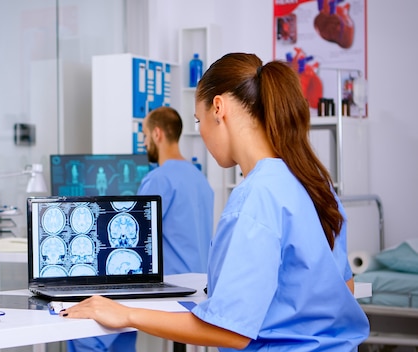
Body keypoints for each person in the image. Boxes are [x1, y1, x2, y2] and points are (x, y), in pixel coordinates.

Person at [61, 53, 370, 351]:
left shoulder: (256, 196)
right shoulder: (314, 182)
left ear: (218, 108)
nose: (202, 133)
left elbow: (230, 332)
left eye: (199, 120)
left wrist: (126, 313)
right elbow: (345, 289)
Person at [67, 106, 215, 352]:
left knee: (87, 332)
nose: (145, 143)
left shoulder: (159, 178)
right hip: (200, 283)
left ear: (157, 134)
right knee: (118, 323)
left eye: (145, 136)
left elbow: (136, 235)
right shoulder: (199, 178)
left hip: (171, 284)